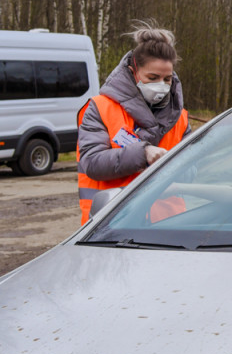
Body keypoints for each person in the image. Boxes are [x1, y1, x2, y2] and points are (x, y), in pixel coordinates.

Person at [76, 23, 190, 224]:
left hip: (169, 223)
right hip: (111, 221)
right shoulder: (101, 108)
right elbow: (92, 163)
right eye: (152, 78)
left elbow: (192, 169)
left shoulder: (180, 117)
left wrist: (176, 166)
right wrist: (143, 153)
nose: (161, 85)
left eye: (167, 79)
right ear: (133, 71)